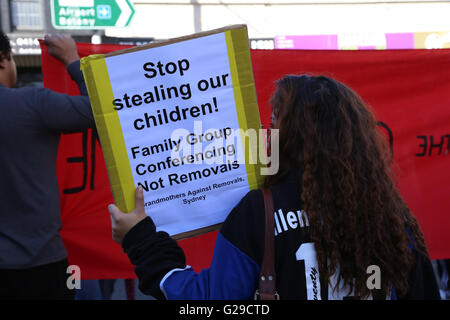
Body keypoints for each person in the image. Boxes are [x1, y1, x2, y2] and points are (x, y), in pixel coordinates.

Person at [108, 74, 440, 300]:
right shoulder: (391, 217)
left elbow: (208, 299)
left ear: (293, 135)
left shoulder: (260, 211)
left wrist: (141, 241)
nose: (268, 130)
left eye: (275, 119)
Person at [0, 31, 95, 300]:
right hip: (40, 266)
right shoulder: (32, 103)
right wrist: (72, 59)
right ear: (3, 60)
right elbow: (101, 110)